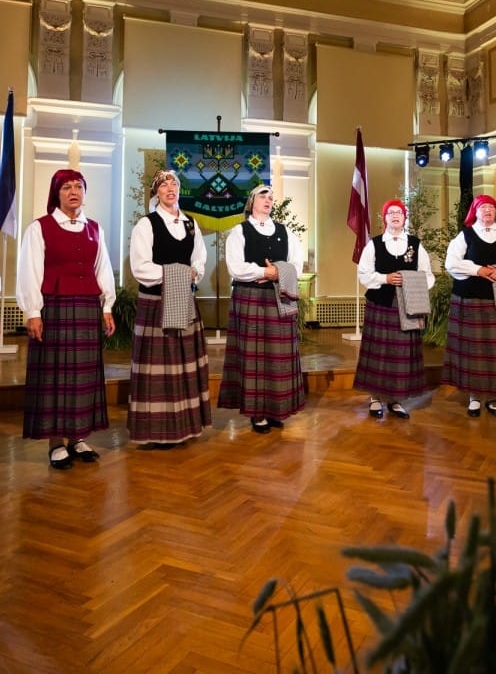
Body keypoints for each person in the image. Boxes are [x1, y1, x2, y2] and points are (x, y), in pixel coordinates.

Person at [16, 169, 116, 469]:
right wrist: (33, 312)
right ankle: (55, 442)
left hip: (86, 307)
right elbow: (29, 271)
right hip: (55, 308)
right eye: (67, 187)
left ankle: (78, 437)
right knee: (55, 376)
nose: (73, 192)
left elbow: (103, 268)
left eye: (78, 187)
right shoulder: (40, 228)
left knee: (83, 377)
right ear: (56, 194)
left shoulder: (94, 229)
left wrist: (106, 306)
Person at [127, 169, 212, 447]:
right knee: (158, 368)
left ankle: (184, 425)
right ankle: (155, 429)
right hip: (156, 303)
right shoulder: (147, 224)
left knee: (182, 366)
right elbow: (140, 267)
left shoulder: (190, 224)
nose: (170, 188)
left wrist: (193, 272)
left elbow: (199, 259)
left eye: (174, 184)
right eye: (164, 185)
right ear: (156, 193)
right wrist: (175, 273)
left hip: (183, 300)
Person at [218, 183, 306, 434]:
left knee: (278, 359)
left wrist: (277, 272)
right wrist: (263, 271)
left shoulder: (284, 231)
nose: (268, 200)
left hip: (280, 297)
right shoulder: (239, 231)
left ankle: (276, 409)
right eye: (263, 196)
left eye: (271, 197)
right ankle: (257, 412)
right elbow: (235, 267)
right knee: (254, 356)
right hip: (250, 298)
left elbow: (297, 264)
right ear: (252, 201)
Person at [443, 194, 496, 418]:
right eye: (483, 208)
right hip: (470, 299)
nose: (488, 211)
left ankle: (493, 398)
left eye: (491, 207)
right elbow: (451, 262)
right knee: (475, 351)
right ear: (476, 211)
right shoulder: (466, 235)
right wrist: (478, 270)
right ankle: (474, 397)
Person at [353, 199, 435, 419]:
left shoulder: (416, 245)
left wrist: (412, 283)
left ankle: (396, 399)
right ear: (385, 218)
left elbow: (428, 276)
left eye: (399, 212)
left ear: (404, 217)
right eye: (391, 212)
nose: (395, 215)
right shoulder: (375, 244)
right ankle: (375, 398)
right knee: (378, 353)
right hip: (381, 304)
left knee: (402, 354)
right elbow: (364, 274)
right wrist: (386, 278)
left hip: (408, 306)